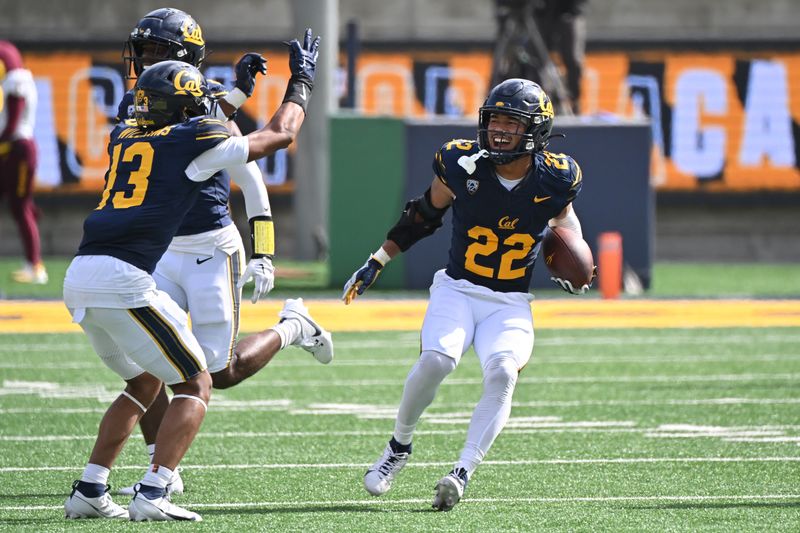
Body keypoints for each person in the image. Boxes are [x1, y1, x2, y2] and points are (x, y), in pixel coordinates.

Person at [63, 26, 323, 521]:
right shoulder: (196, 138)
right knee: (198, 382)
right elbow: (278, 135)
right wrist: (300, 82)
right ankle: (155, 491)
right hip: (128, 279)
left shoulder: (124, 132)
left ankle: (91, 489)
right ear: (191, 109)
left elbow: (201, 120)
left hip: (81, 274)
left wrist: (235, 94)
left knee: (143, 383)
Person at [342, 78, 592, 511]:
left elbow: (565, 222)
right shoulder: (463, 163)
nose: (498, 130)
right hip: (458, 289)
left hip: (511, 300)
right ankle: (399, 446)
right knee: (438, 359)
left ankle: (461, 472)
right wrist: (378, 259)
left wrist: (577, 262)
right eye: (494, 119)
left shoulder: (557, 176)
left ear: (535, 131)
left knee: (503, 374)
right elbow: (423, 215)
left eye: (511, 123)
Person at [0, 40, 47, 284]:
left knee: (21, 207)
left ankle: (35, 265)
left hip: (17, 150)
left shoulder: (16, 81)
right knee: (22, 207)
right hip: (10, 150)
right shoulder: (12, 81)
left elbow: (11, 124)